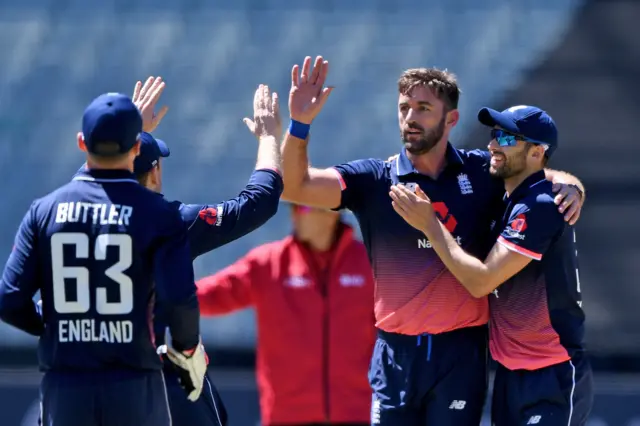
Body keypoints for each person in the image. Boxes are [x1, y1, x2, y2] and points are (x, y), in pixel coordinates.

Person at [278, 56, 586, 425]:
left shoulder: (481, 171)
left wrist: (571, 185)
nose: (410, 117)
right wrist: (299, 125)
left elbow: (535, 173)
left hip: (460, 352)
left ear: (451, 119)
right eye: (404, 108)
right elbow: (295, 187)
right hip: (395, 353)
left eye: (424, 108)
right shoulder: (374, 179)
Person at [0, 91, 207, 426]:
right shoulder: (158, 215)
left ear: (82, 144)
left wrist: (54, 322)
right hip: (134, 390)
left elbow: (10, 300)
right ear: (138, 148)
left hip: (65, 391)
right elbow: (178, 299)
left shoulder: (44, 211)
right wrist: (186, 351)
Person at [389, 105, 593, 426]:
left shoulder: (538, 206)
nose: (493, 145)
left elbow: (481, 282)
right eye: (494, 134)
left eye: (507, 137)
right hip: (511, 374)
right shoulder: (509, 198)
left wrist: (430, 224)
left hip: (551, 372)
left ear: (537, 152)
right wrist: (572, 185)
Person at [126, 78, 283, 426]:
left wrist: (124, 136)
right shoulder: (173, 223)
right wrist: (270, 138)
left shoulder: (78, 219)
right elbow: (258, 203)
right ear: (155, 173)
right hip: (165, 376)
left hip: (95, 375)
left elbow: (85, 185)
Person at [196, 202, 375, 426]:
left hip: (356, 414)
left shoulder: (369, 263)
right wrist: (162, 294)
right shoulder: (269, 263)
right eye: (293, 208)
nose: (294, 215)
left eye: (304, 208)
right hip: (287, 416)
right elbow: (211, 295)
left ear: (331, 213)